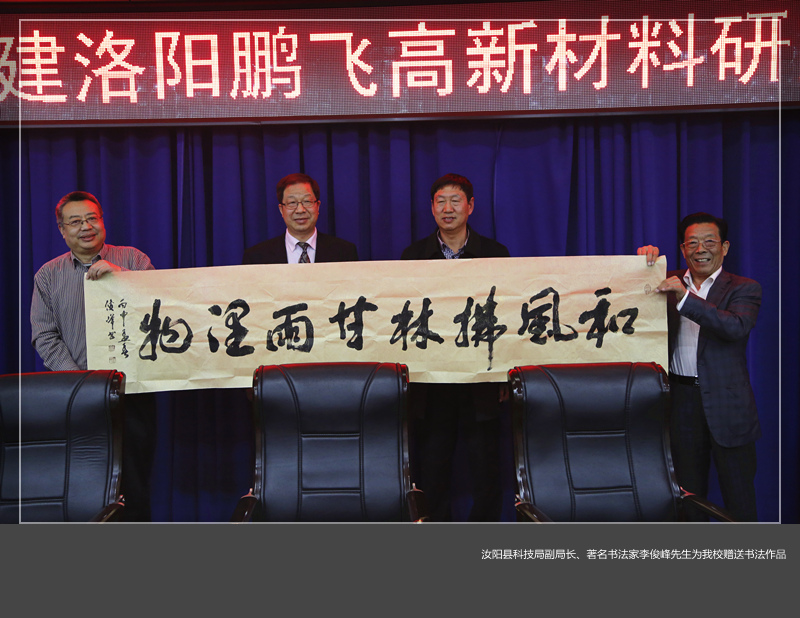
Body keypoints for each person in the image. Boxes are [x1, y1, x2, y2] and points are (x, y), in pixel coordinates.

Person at [31, 190, 157, 522]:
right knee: (83, 485)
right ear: (62, 230)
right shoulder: (48, 275)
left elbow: (159, 312)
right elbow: (45, 336)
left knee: (134, 484)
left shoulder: (133, 260)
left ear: (102, 221)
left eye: (92, 218)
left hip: (132, 393)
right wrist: (80, 381)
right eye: (75, 222)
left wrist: (121, 278)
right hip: (76, 396)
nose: (86, 227)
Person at [638, 212, 761, 521]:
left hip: (728, 405)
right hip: (681, 402)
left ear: (725, 247)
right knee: (688, 499)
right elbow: (632, 297)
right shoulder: (666, 282)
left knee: (740, 500)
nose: (700, 249)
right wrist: (642, 265)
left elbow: (735, 327)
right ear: (683, 249)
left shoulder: (744, 288)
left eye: (709, 242)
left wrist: (685, 299)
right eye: (692, 243)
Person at [401, 173, 510, 522]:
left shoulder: (496, 254)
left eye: (456, 201)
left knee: (486, 471)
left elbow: (508, 319)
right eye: (441, 201)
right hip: (432, 384)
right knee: (432, 471)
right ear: (432, 208)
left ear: (471, 206)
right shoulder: (412, 257)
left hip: (482, 382)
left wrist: (505, 375)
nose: (448, 209)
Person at [243, 173, 359, 264]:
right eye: (292, 203)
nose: (300, 210)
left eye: (307, 201)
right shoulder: (256, 257)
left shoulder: (345, 253)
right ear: (281, 209)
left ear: (317, 206)